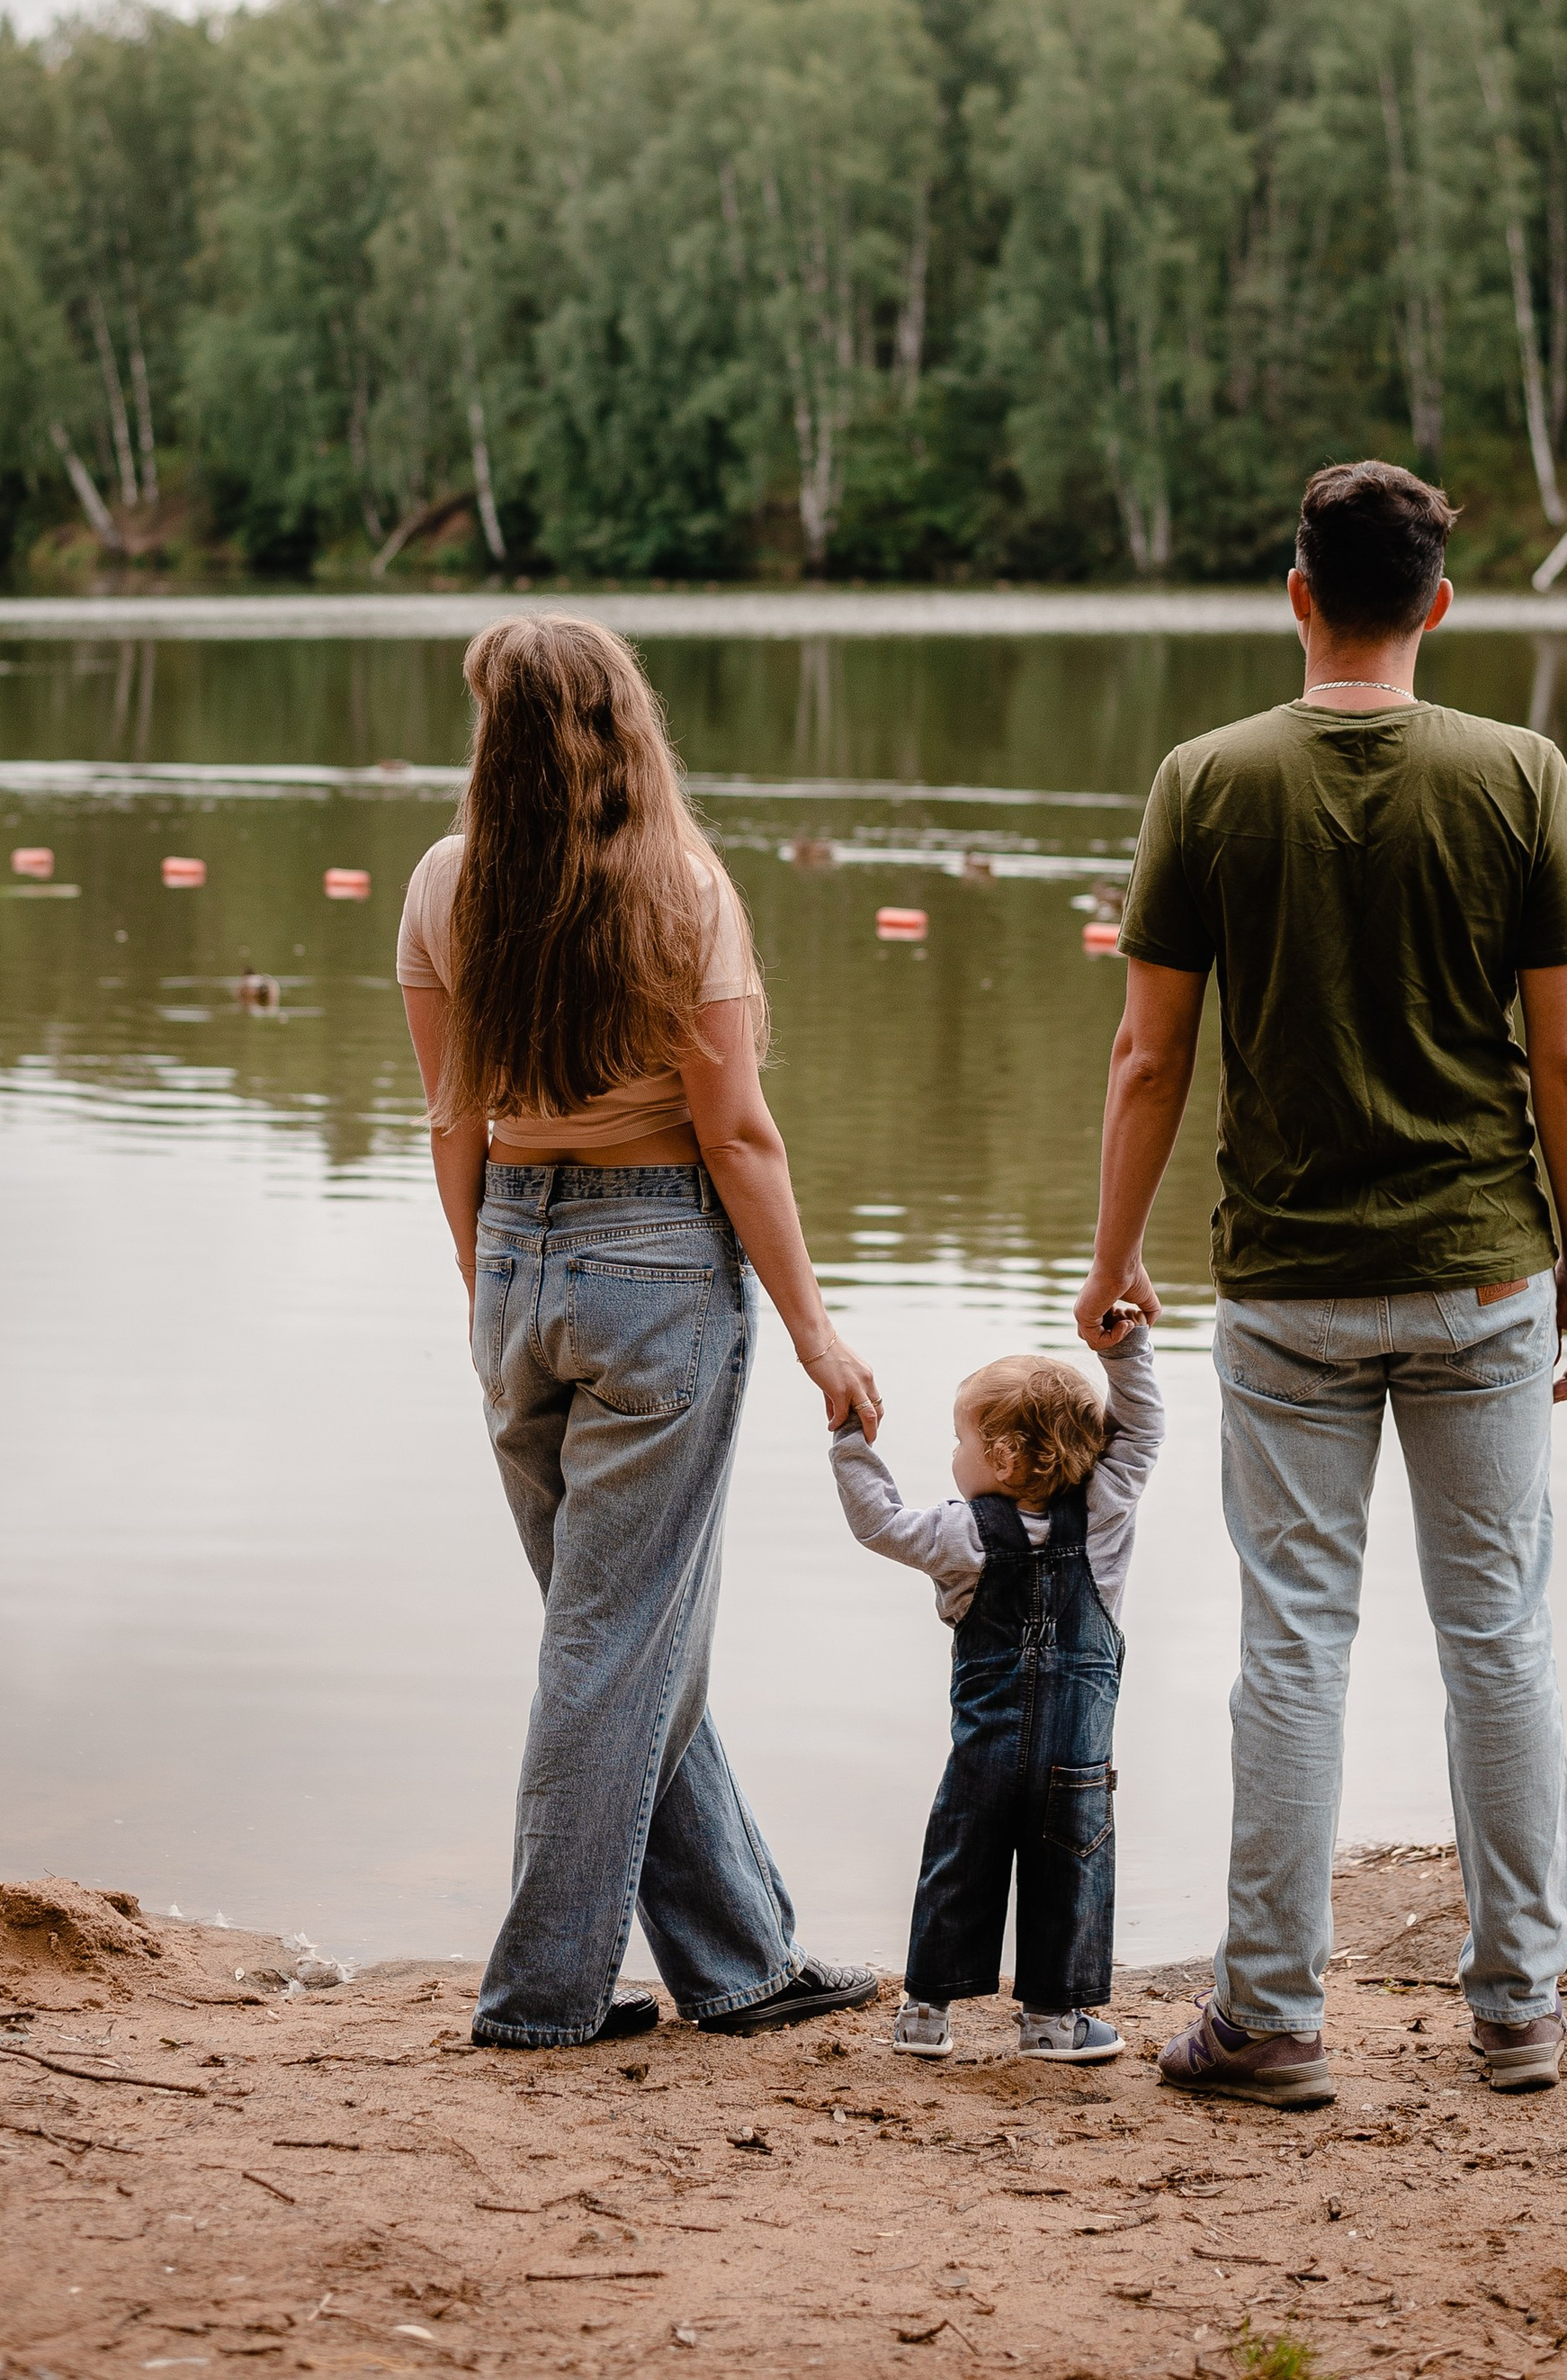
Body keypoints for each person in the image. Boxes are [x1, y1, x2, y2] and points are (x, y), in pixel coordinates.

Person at [1071, 460, 1567, 2108]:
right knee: (1498, 1642)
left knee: (1296, 1646)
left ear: (1297, 595)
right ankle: (1519, 2012)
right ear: (1438, 606)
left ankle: (1271, 2019)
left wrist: (1111, 1264)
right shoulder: (1520, 774)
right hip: (1482, 1280)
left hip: (1289, 1293)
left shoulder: (1207, 779)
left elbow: (1148, 1053)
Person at [398, 612, 882, 2049]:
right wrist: (815, 1332)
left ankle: (739, 1960)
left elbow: (451, 1117)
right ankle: (542, 1992)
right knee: (616, 1644)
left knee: (617, 1633)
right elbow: (736, 1134)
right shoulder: (681, 886)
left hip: (514, 1263)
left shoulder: (439, 879)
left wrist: (491, 1292)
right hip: (657, 1264)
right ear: (623, 726)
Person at [830, 1331, 1163, 2064]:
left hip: (983, 1756)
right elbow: (1140, 1433)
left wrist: (850, 1437)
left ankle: (925, 2017)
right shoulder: (1104, 1518)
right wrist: (1126, 1353)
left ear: (1005, 1455)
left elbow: (878, 1520)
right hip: (1072, 1767)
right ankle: (1053, 2022)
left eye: (962, 1439)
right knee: (1068, 1874)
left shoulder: (960, 1534)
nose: (955, 1455)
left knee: (958, 1868)